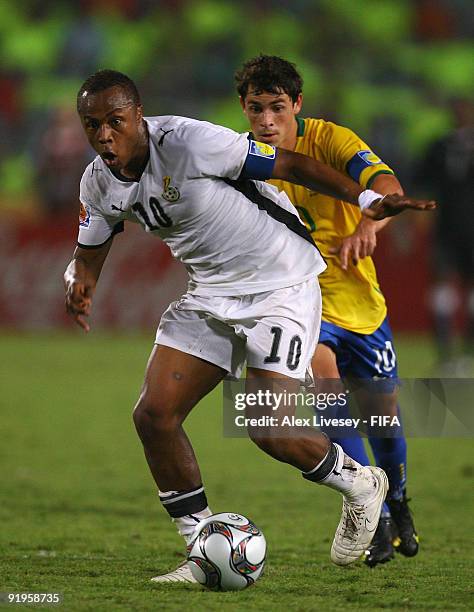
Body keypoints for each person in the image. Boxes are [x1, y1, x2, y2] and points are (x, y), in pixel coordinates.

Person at [64, 69, 433, 582]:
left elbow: (288, 163)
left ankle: (362, 484)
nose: (104, 134)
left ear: (138, 116)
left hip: (281, 282)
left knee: (268, 428)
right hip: (210, 294)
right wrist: (81, 281)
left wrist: (367, 202)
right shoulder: (98, 180)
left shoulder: (191, 143)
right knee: (153, 415)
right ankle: (200, 547)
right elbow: (92, 243)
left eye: (115, 121)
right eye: (92, 124)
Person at [236, 55, 420, 567]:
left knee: (384, 421)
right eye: (256, 109)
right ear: (244, 109)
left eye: (276, 107)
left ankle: (399, 502)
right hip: (301, 304)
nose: (266, 120)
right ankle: (374, 512)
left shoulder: (333, 141)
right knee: (326, 388)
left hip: (361, 303)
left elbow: (388, 188)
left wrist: (369, 224)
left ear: (296, 104)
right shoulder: (239, 159)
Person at [417, 97, 474, 369]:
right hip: (446, 226)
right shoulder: (439, 147)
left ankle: (468, 347)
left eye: (465, 108)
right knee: (441, 282)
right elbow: (421, 182)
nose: (460, 112)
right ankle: (444, 347)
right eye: (457, 108)